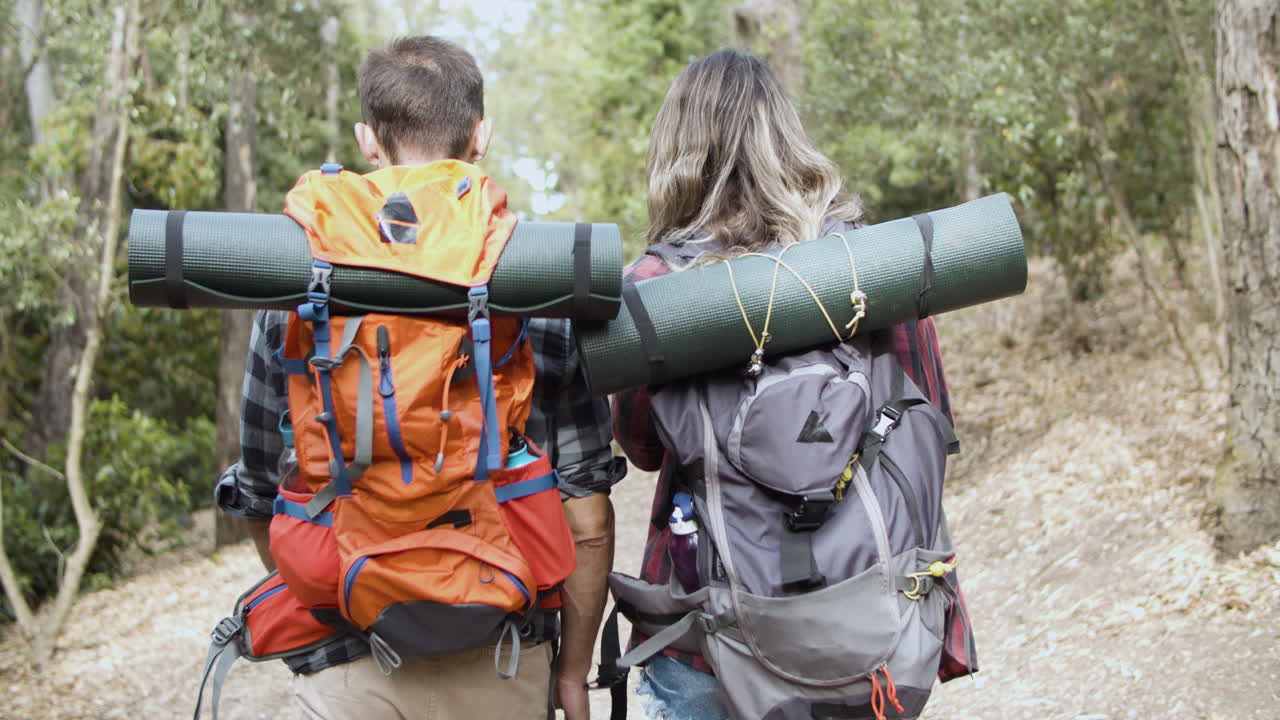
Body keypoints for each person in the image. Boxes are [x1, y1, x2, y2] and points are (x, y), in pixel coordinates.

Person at [215, 35, 624, 720]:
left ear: (367, 140)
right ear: (481, 135)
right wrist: (573, 675)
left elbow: (261, 497)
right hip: (503, 660)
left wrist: (350, 593)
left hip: (349, 670)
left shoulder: (296, 283)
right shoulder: (532, 280)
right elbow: (587, 518)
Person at [610, 49, 953, 720]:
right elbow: (928, 418)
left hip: (711, 634)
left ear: (677, 151)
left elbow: (643, 445)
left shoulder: (655, 288)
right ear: (786, 136)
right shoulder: (873, 266)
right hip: (873, 626)